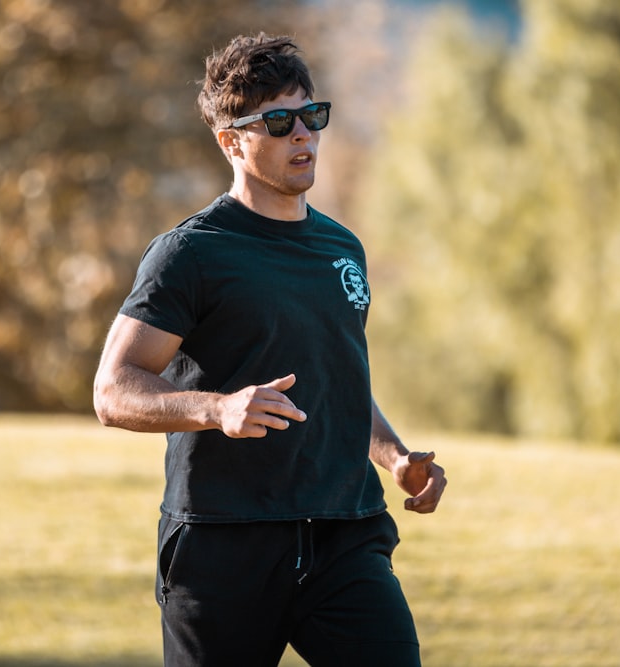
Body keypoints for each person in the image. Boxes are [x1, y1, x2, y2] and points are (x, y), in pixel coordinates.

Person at [93, 32, 447, 667]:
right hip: (222, 546)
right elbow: (113, 389)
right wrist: (218, 409)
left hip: (345, 534)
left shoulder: (343, 249)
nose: (303, 137)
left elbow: (336, 379)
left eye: (312, 116)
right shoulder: (190, 254)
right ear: (232, 140)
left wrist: (394, 457)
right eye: (279, 122)